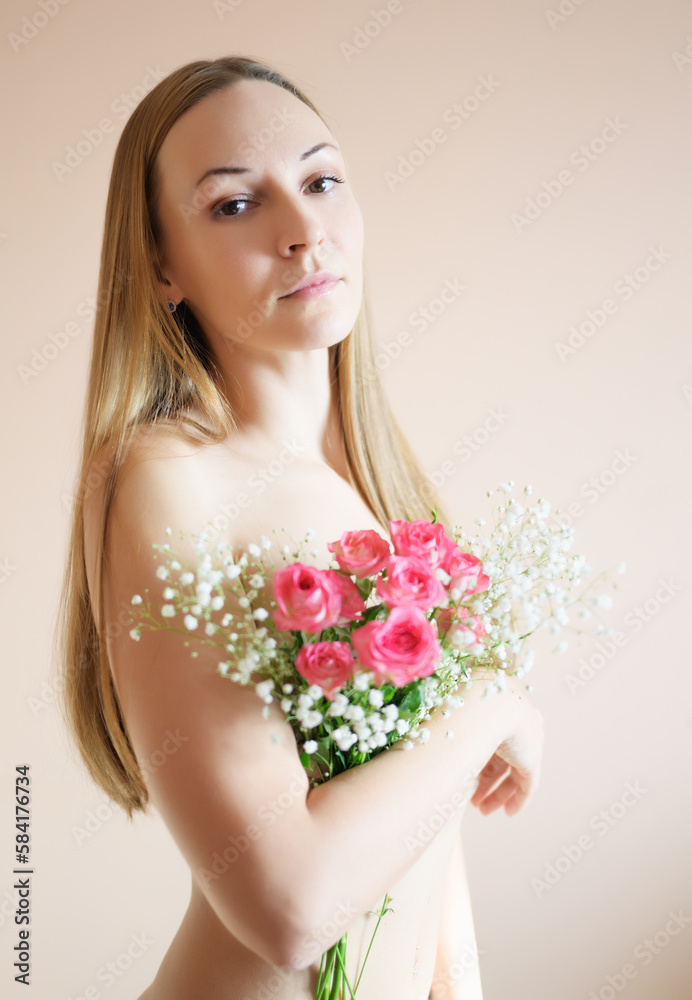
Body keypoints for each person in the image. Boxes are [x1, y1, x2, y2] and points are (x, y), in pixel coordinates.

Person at [55, 56, 544, 1000]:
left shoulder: (377, 486)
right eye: (235, 205)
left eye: (321, 181)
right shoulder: (167, 475)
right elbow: (289, 908)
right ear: (161, 265)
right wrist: (497, 706)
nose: (303, 230)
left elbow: (430, 847)